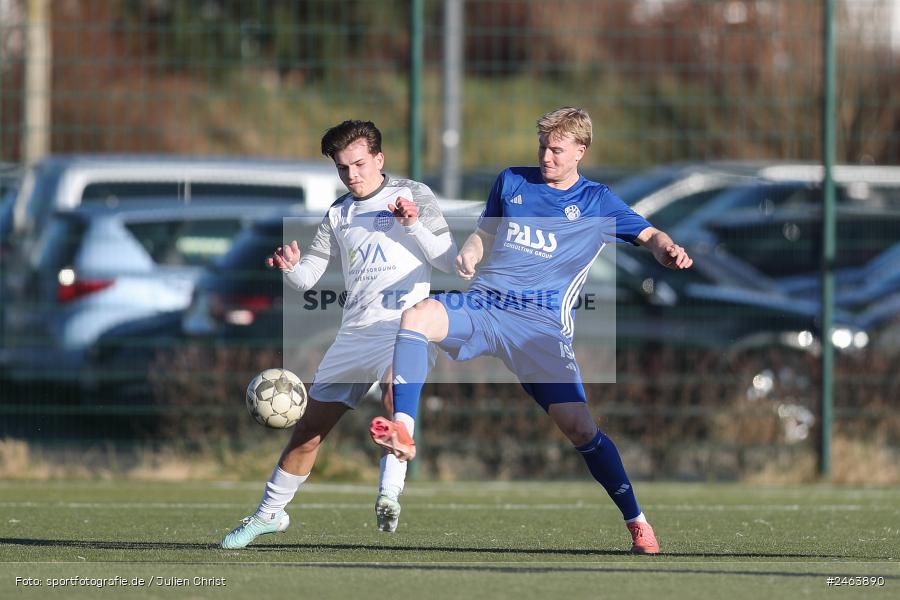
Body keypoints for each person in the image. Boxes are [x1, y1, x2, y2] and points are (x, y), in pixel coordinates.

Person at [369, 107, 693, 555]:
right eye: (542, 147)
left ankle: (637, 523)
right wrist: (471, 250)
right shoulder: (512, 182)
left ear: (581, 150)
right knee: (416, 317)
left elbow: (650, 235)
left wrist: (669, 250)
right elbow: (486, 231)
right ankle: (403, 430)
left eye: (557, 150)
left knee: (581, 429)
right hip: (485, 305)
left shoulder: (597, 201)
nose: (546, 157)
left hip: (539, 329)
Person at [221, 120, 456, 548]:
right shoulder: (339, 213)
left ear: (380, 159)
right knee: (308, 432)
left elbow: (447, 260)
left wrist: (413, 225)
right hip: (354, 336)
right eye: (343, 168)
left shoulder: (414, 195)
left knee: (392, 394)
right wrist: (291, 268)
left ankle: (388, 494)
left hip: (405, 327)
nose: (353, 175)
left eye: (360, 164)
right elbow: (308, 278)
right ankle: (267, 516)